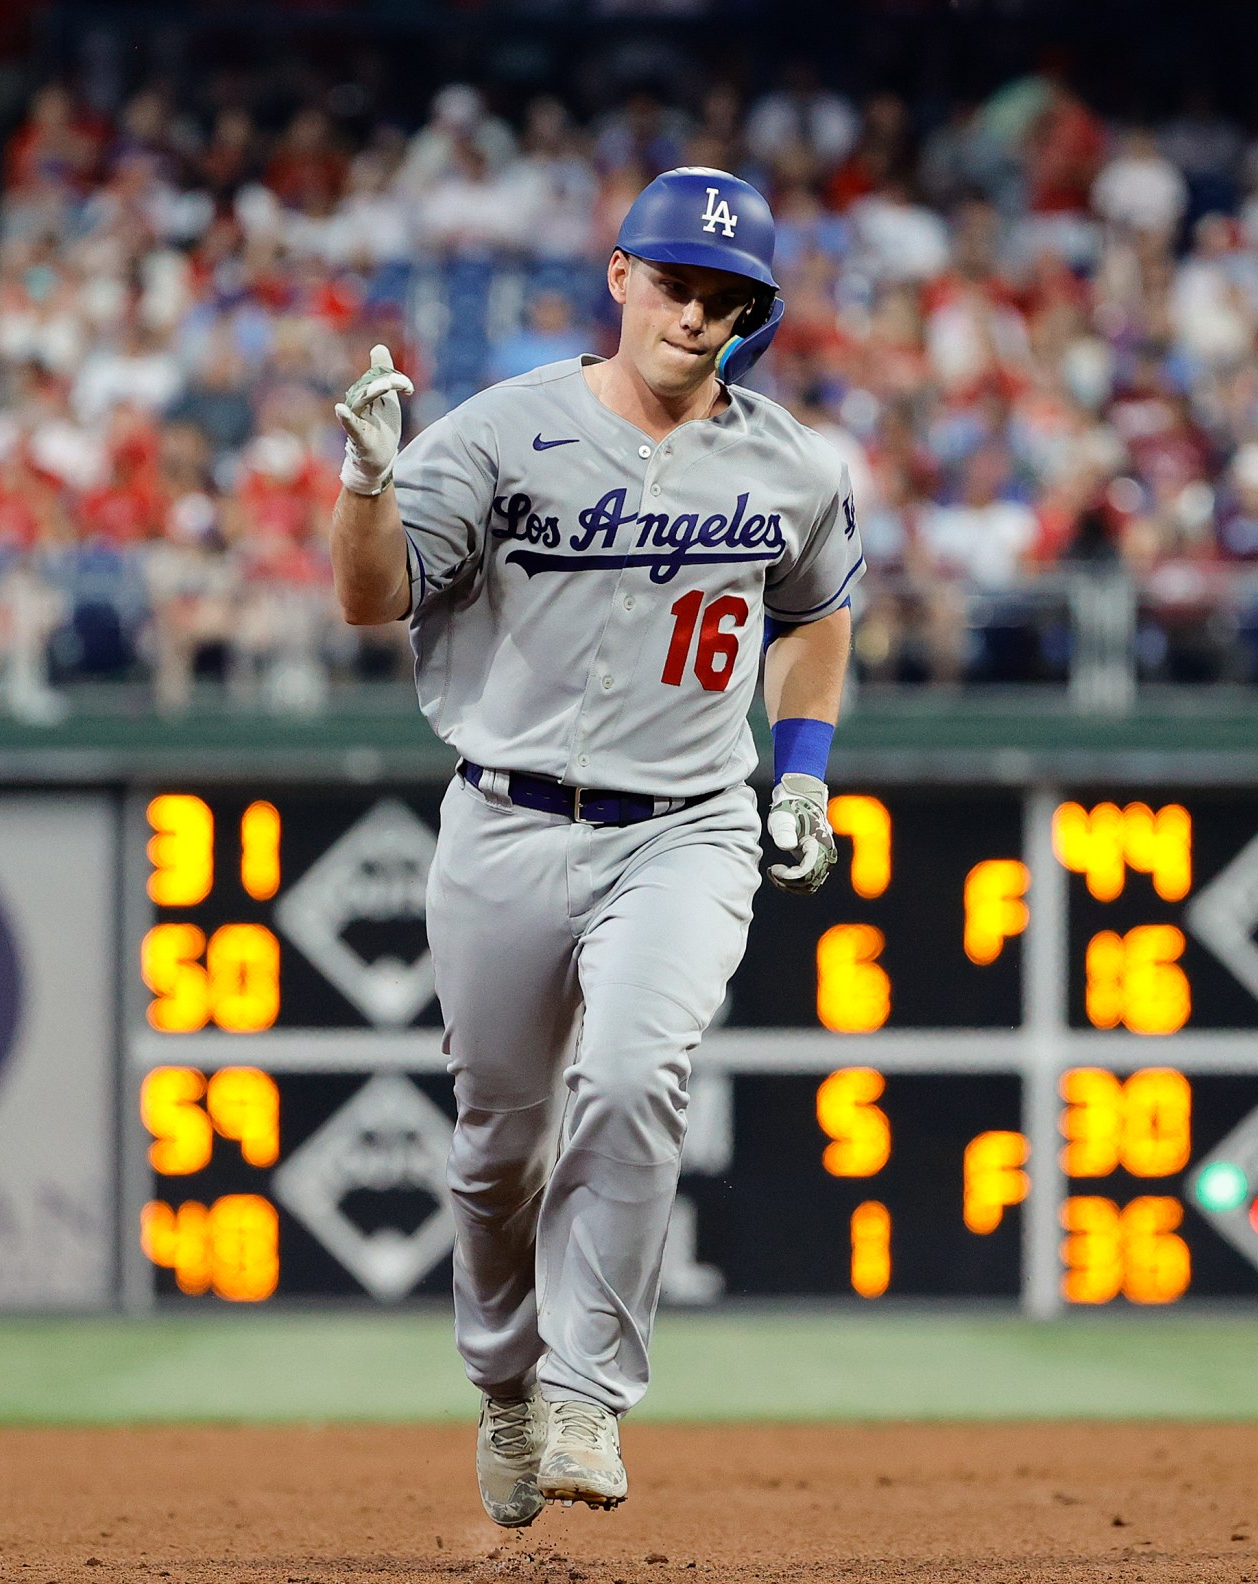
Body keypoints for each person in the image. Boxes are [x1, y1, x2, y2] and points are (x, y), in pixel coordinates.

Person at [326, 167, 858, 1523]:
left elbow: (818, 616)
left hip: (686, 827)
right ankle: (504, 1385)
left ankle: (585, 1394)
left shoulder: (789, 461)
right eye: (677, 283)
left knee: (632, 1079)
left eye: (727, 297)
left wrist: (801, 780)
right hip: (505, 820)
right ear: (621, 277)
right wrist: (367, 487)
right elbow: (368, 598)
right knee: (496, 1148)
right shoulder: (501, 434)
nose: (699, 312)